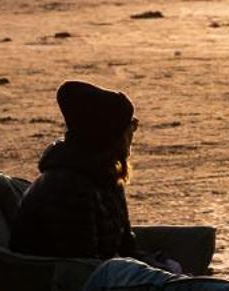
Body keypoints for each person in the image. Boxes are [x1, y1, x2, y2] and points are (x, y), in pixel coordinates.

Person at [12, 80, 139, 261]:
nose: (133, 132)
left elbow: (126, 247)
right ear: (110, 136)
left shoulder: (106, 175)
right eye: (130, 126)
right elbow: (82, 265)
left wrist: (158, 266)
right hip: (55, 284)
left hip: (104, 277)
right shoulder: (67, 187)